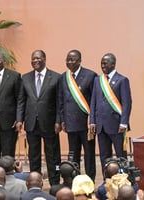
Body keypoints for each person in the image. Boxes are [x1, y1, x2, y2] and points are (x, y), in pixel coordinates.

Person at [16, 49, 61, 186]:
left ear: (44, 59)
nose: (35, 61)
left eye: (38, 58)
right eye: (33, 58)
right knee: (33, 156)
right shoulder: (25, 78)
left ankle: (54, 183)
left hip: (50, 123)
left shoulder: (56, 77)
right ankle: (35, 183)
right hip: (31, 123)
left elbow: (59, 102)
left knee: (52, 155)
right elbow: (21, 101)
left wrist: (59, 120)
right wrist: (19, 119)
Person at [58, 49, 97, 181]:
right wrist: (62, 119)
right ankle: (75, 179)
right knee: (73, 154)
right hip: (70, 122)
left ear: (80, 61)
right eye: (68, 59)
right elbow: (61, 100)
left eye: (73, 59)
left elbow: (94, 100)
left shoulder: (90, 75)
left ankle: (90, 180)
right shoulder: (64, 77)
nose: (70, 62)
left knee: (89, 154)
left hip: (86, 124)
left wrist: (93, 120)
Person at [90, 53, 132, 174]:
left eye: (105, 63)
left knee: (121, 155)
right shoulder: (98, 80)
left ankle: (124, 179)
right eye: (102, 63)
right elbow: (93, 102)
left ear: (113, 64)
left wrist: (124, 122)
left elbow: (127, 103)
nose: (103, 65)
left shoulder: (122, 80)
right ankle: (106, 179)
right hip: (101, 126)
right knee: (104, 156)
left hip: (117, 125)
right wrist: (92, 120)